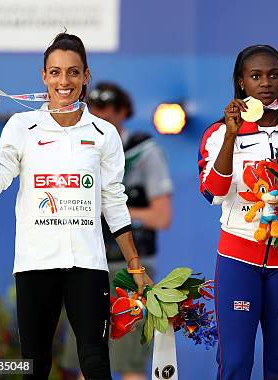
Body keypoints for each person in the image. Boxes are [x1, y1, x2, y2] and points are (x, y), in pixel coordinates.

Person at [0, 33, 152, 380]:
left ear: (86, 75)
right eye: (55, 72)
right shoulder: (22, 127)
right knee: (34, 365)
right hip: (35, 263)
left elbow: (113, 201)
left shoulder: (103, 133)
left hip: (88, 263)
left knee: (96, 361)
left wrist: (134, 265)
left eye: (73, 72)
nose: (63, 81)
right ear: (43, 76)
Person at [198, 45, 278, 380]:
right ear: (241, 83)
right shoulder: (218, 134)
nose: (266, 82)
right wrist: (231, 136)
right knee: (236, 362)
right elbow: (212, 193)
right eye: (256, 75)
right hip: (239, 261)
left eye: (273, 74)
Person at [59, 82, 174, 380]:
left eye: (110, 111)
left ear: (124, 112)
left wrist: (112, 210)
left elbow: (162, 217)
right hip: (85, 263)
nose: (103, 117)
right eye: (96, 111)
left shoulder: (145, 153)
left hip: (130, 268)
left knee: (130, 361)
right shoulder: (76, 150)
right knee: (87, 355)